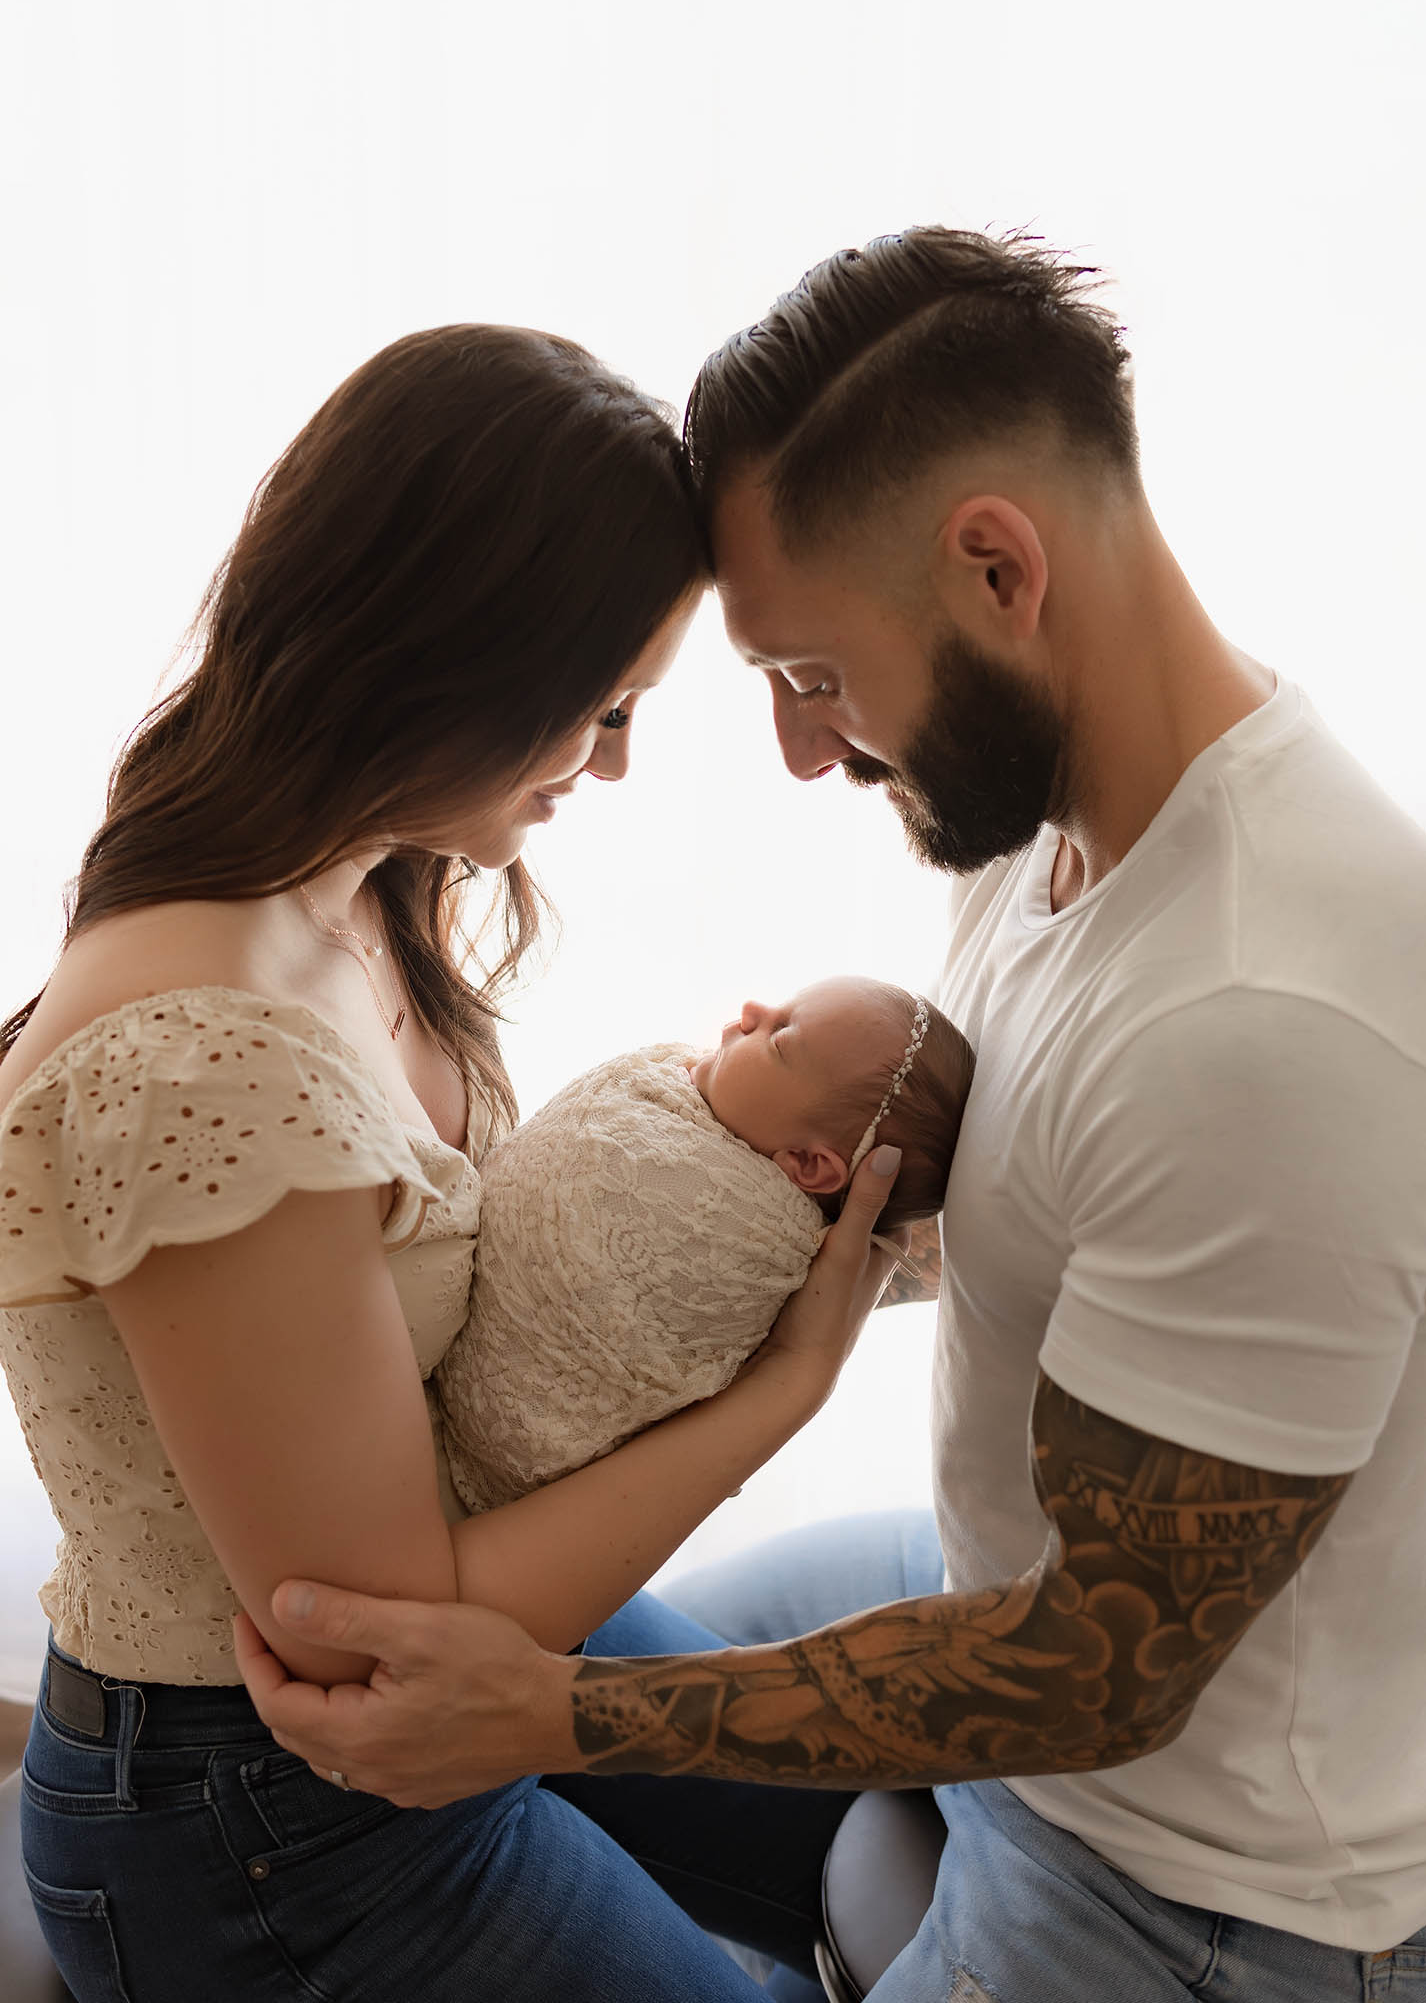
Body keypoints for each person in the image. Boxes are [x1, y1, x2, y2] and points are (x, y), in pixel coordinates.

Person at [239, 228, 1426, 2003]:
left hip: (1178, 1872)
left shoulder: (1266, 1015)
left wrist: (555, 1716)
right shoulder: (1052, 820)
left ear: (994, 567)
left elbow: (1102, 1668)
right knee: (498, 1649)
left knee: (513, 1708)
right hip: (988, 1566)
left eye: (809, 674)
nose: (804, 753)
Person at [0, 323, 911, 2002]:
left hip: (392, 1687)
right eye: (604, 708)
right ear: (453, 661)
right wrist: (785, 1391)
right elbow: (379, 1642)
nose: (614, 764)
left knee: (907, 1849)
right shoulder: (203, 1061)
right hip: (261, 1808)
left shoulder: (362, 887)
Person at [438, 979, 973, 1511]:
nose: (751, 1009)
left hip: (510, 1483)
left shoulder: (730, 1227)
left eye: (781, 1037)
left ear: (809, 1163)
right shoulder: (671, 1108)